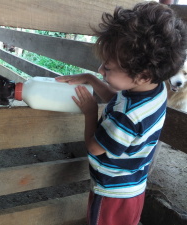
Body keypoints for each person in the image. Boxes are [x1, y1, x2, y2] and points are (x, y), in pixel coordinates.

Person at [56, 2, 187, 225]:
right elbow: (117, 101)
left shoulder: (127, 117)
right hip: (133, 187)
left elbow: (95, 147)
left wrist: (90, 112)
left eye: (107, 67)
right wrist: (92, 80)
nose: (100, 70)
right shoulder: (154, 90)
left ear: (143, 75)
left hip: (111, 193)